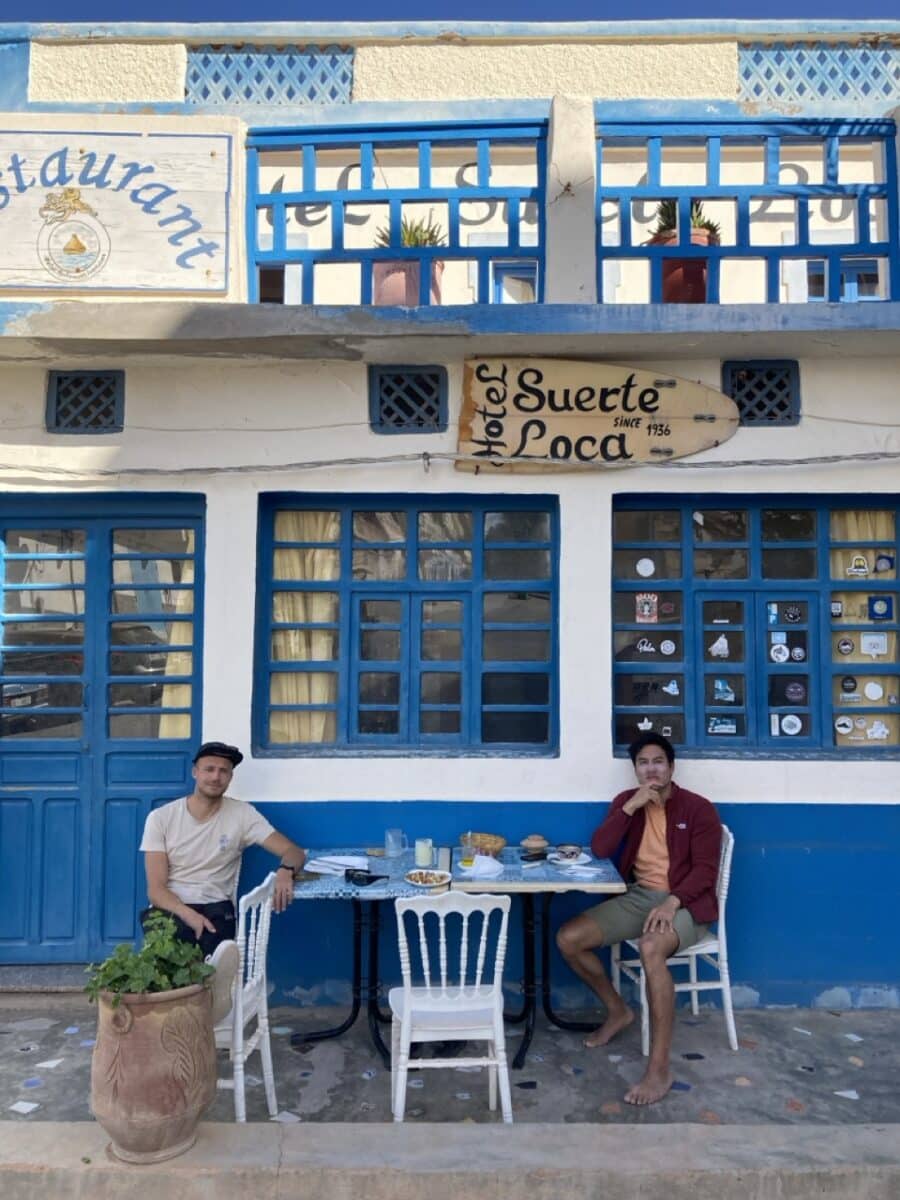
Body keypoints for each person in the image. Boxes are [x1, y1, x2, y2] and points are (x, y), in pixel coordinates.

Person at [556, 732, 721, 1106]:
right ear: (635, 770)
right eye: (643, 763)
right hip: (639, 898)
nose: (651, 769)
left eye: (658, 761)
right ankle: (618, 1011)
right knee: (569, 938)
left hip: (687, 905)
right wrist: (629, 808)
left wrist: (673, 903)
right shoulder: (627, 803)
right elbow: (599, 848)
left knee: (650, 949)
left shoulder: (698, 809)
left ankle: (659, 1069)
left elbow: (705, 871)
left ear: (671, 767)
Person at [139, 740, 306, 1021]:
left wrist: (285, 871)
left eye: (224, 771)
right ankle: (205, 997)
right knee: (168, 938)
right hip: (173, 907)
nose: (216, 777)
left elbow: (294, 851)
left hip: (217, 906)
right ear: (195, 772)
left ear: (230, 777)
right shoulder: (161, 818)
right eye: (210, 769)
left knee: (214, 939)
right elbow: (156, 890)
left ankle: (208, 995)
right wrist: (188, 915)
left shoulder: (241, 814)